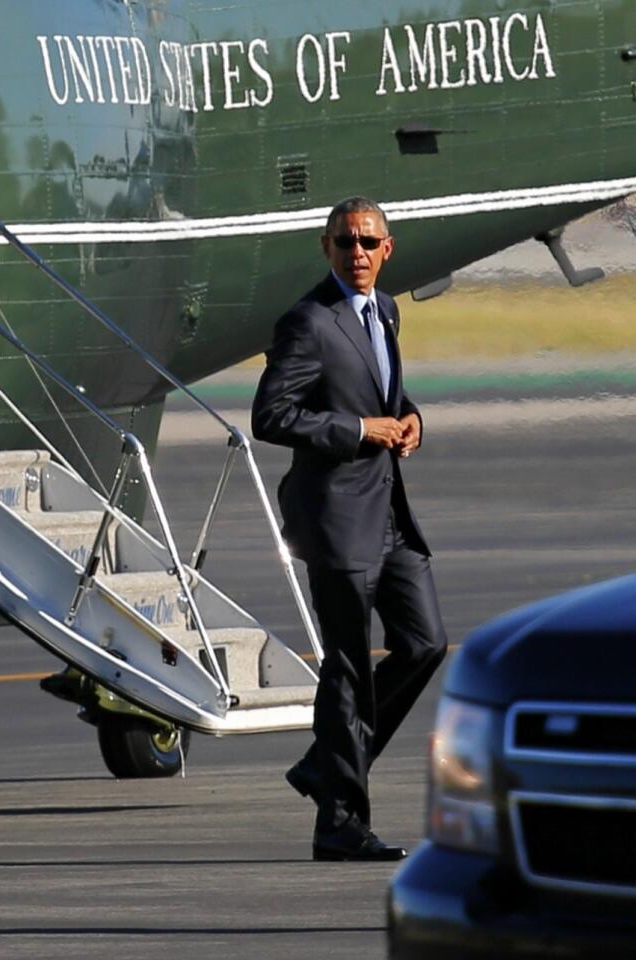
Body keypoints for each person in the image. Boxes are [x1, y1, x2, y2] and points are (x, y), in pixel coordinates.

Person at [252, 197, 447, 862]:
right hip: (335, 518)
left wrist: (409, 417)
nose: (357, 254)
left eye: (368, 243)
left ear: (387, 249)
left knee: (425, 644)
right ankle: (339, 820)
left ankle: (324, 762)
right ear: (326, 248)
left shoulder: (384, 310)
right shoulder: (308, 321)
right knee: (347, 668)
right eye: (345, 243)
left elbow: (381, 392)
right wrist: (361, 433)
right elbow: (272, 415)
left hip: (388, 514)